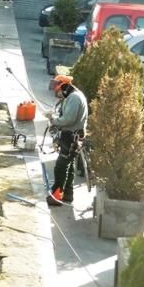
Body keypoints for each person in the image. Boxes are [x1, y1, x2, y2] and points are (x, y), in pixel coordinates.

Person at [46, 74, 88, 206]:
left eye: (57, 88)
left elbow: (68, 119)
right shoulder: (72, 96)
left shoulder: (74, 98)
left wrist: (53, 121)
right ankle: (67, 195)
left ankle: (57, 195)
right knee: (68, 166)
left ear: (63, 86)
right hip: (71, 136)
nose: (56, 92)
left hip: (72, 137)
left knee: (61, 166)